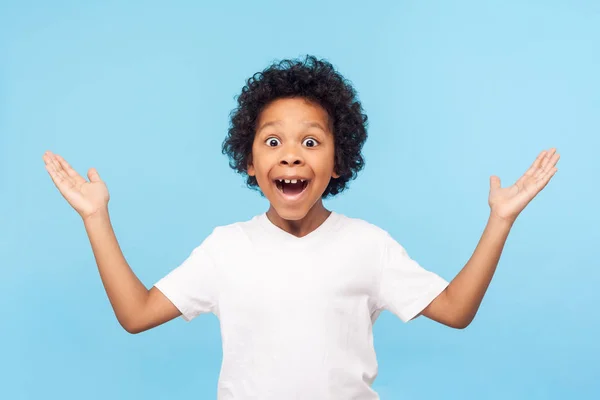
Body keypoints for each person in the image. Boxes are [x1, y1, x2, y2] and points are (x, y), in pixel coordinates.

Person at [42, 55, 560, 399]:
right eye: (273, 142)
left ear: (338, 162)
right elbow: (136, 315)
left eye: (311, 142)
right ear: (249, 161)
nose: (291, 154)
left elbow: (455, 311)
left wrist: (500, 220)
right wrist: (95, 217)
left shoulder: (368, 244)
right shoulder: (227, 248)